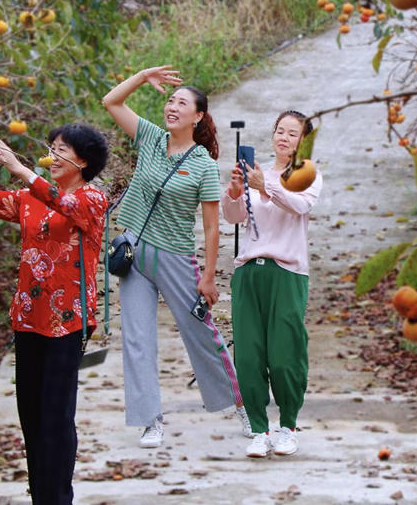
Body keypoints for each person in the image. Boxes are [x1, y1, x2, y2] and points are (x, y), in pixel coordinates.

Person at [101, 65, 251, 448]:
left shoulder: (201, 163)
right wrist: (141, 76)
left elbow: (213, 226)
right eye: (170, 100)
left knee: (201, 333)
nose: (172, 107)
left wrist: (208, 277)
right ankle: (150, 419)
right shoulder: (150, 138)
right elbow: (111, 101)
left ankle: (242, 404)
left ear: (198, 116)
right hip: (134, 252)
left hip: (175, 256)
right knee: (136, 339)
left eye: (181, 103)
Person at [0, 124, 109, 504]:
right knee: (30, 412)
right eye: (52, 148)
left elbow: (67, 205)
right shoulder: (31, 198)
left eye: (62, 151)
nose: (53, 156)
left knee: (56, 417)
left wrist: (22, 169)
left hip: (68, 320)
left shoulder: (92, 200)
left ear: (82, 162)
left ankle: (59, 497)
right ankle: (40, 495)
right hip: (29, 317)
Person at [222, 110, 323, 457]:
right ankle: (259, 429)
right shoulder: (256, 172)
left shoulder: (308, 175)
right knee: (249, 354)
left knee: (285, 354)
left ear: (303, 140)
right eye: (280, 131)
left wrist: (266, 186)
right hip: (249, 271)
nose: (283, 137)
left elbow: (298, 206)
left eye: (292, 133)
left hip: (288, 273)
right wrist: (235, 192)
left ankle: (289, 425)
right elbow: (234, 218)